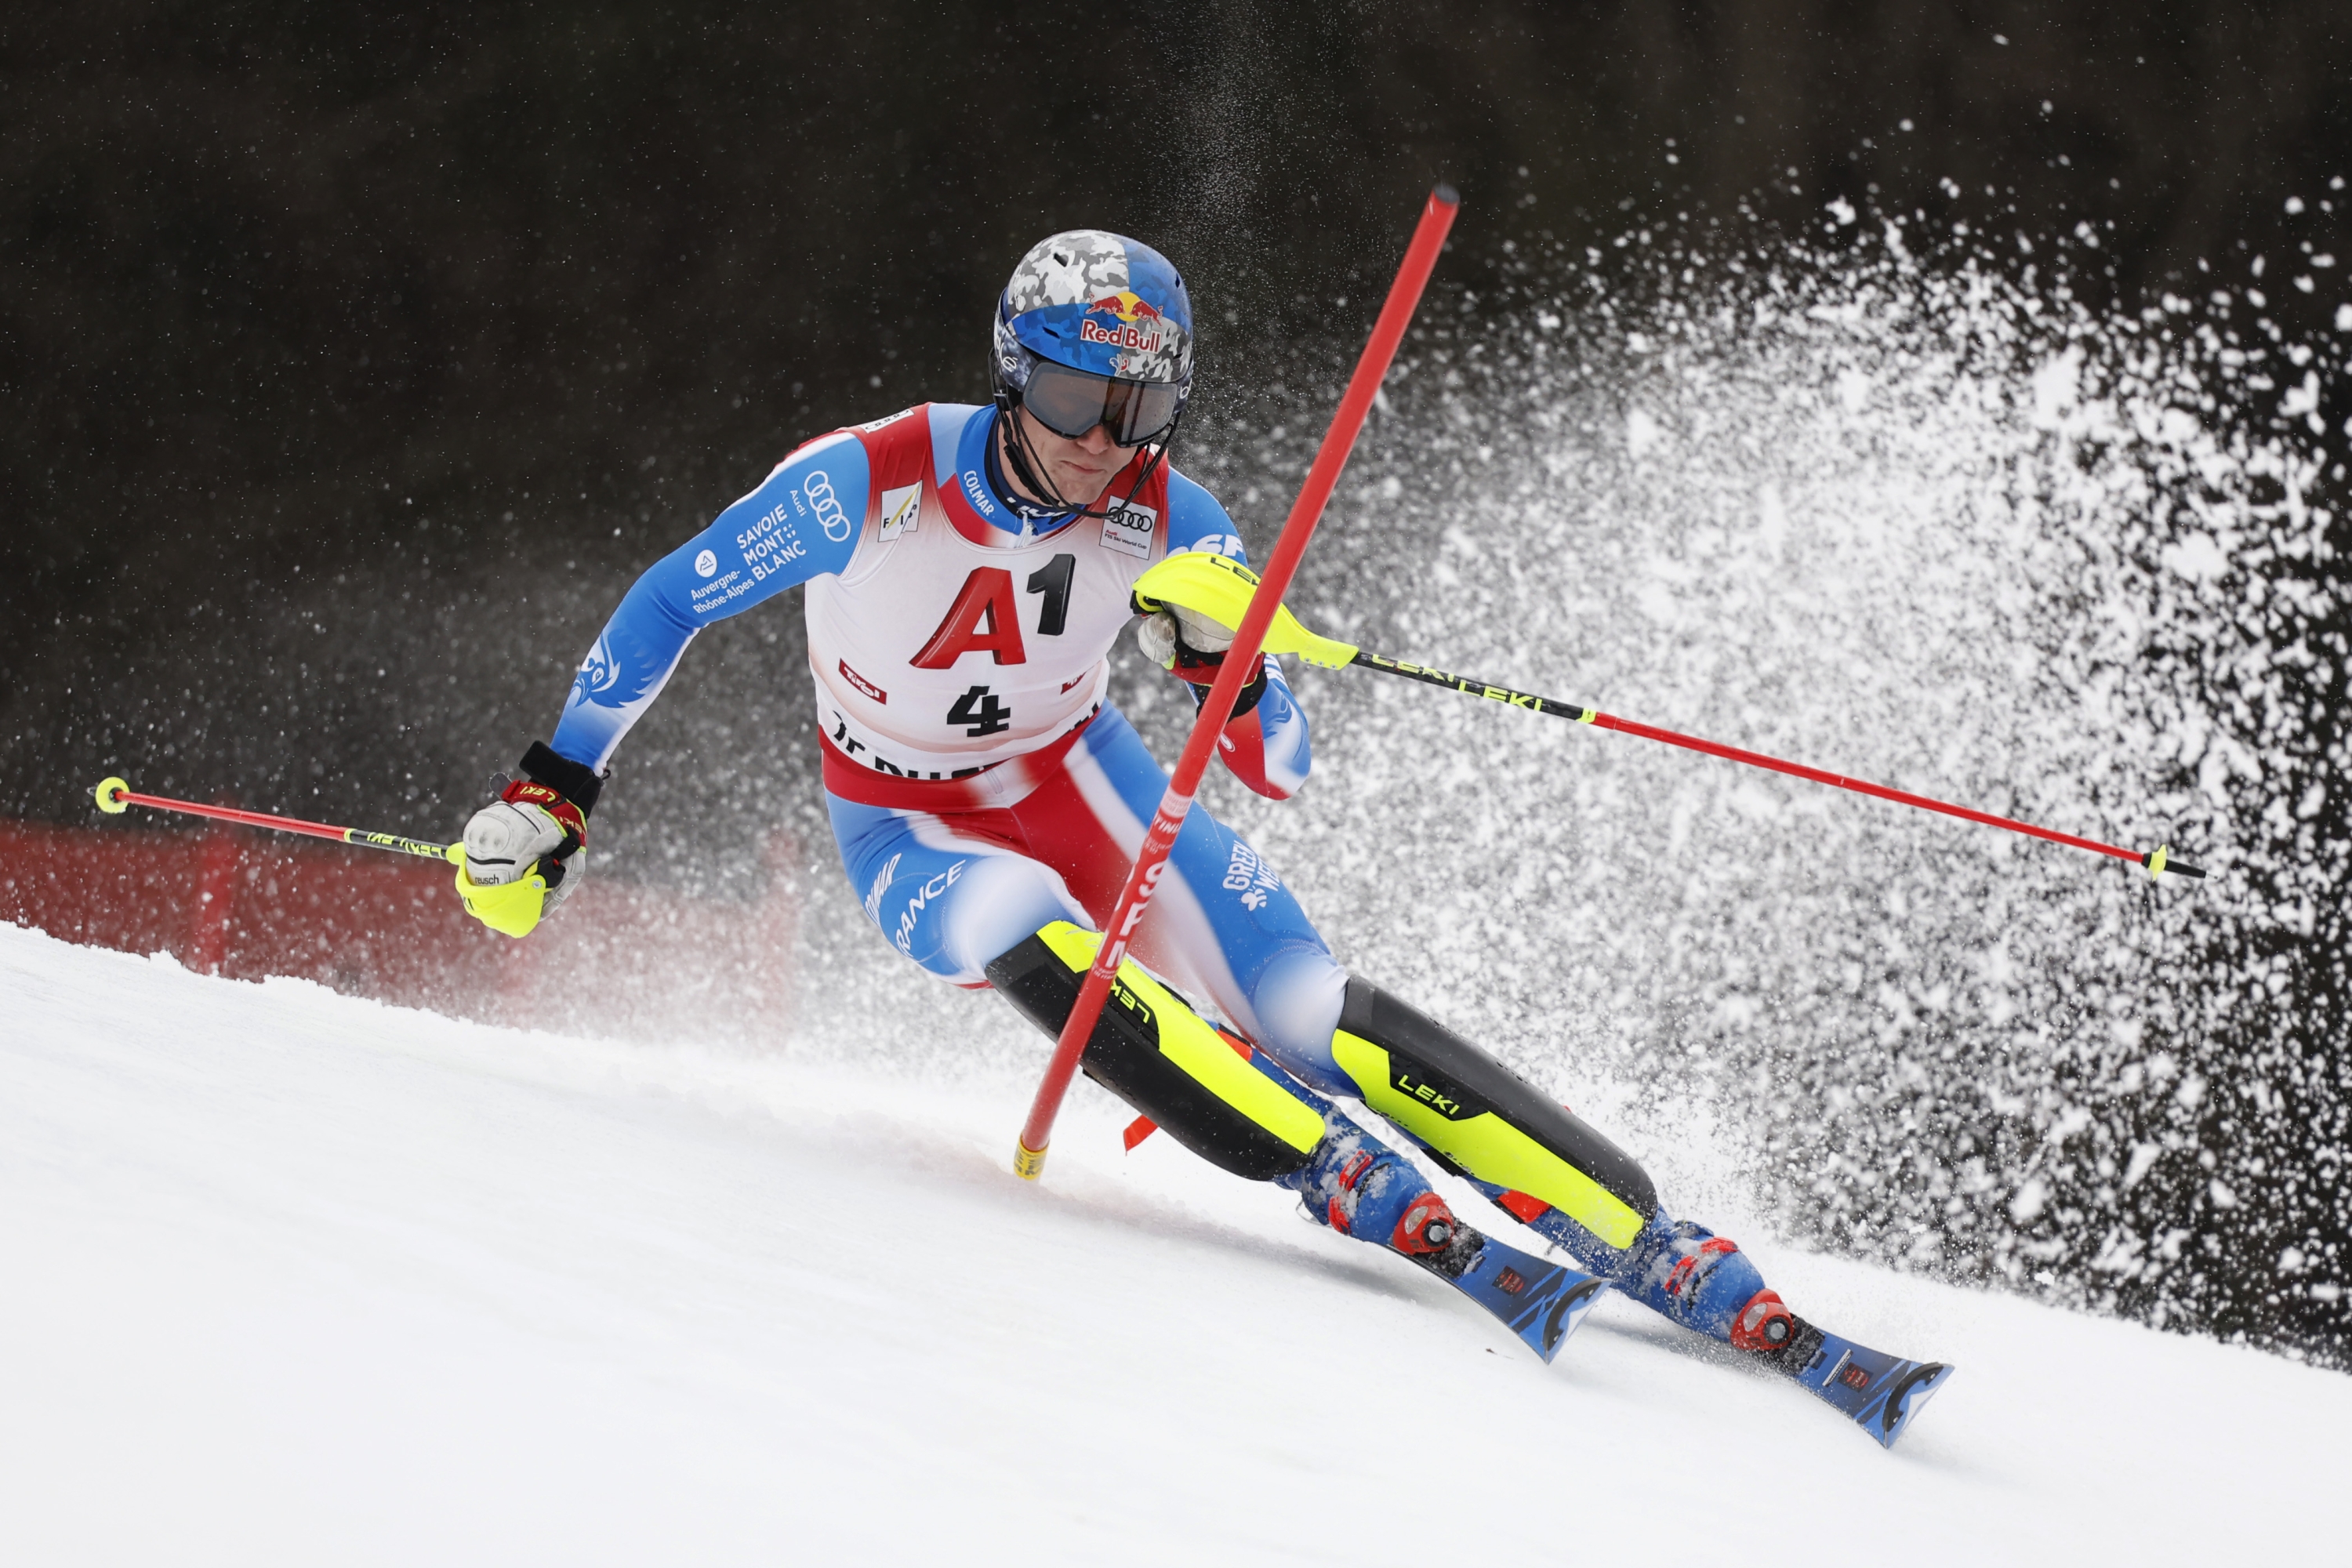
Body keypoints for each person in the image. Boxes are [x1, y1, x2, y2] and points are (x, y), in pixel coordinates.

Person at [454, 229, 1815, 1371]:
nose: (1106, 443)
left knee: (1299, 1006)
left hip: (1084, 778)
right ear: (1013, 377)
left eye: (1143, 411)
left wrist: (1224, 664)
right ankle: (1330, 1168)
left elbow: (1281, 765)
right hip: (907, 819)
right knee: (1015, 914)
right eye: (1073, 401)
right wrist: (558, 785)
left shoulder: (1177, 516)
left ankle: (1638, 1227)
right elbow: (671, 599)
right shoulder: (865, 483)